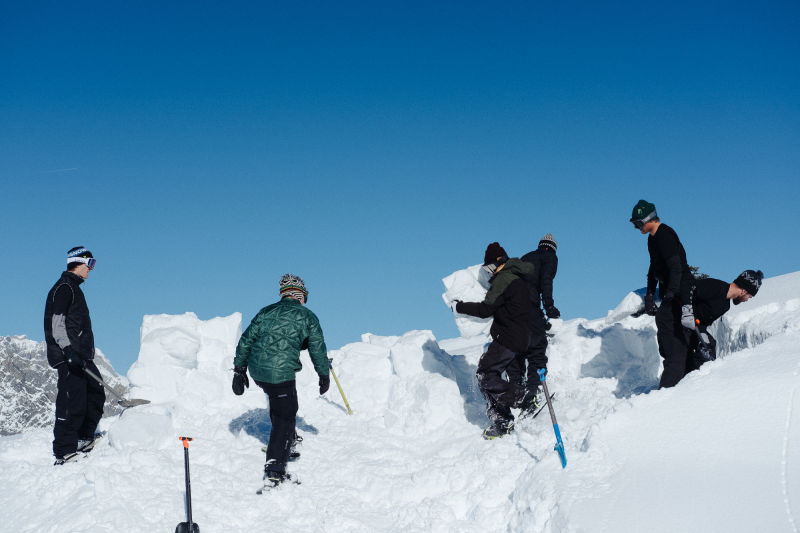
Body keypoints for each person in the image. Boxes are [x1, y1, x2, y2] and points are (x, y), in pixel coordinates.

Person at [232, 274, 330, 487]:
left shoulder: (266, 311)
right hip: (280, 373)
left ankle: (288, 439)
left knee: (280, 402)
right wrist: (324, 374)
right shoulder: (308, 316)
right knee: (286, 415)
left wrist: (239, 370)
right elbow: (317, 348)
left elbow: (246, 340)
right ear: (300, 295)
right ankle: (275, 466)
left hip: (257, 371)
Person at [454, 242, 537, 439]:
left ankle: (523, 399)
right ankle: (502, 420)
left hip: (508, 337)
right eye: (487, 269)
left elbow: (485, 310)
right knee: (488, 376)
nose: (489, 272)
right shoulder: (518, 279)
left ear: (500, 262)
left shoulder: (505, 279)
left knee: (485, 374)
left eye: (490, 267)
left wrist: (459, 307)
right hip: (519, 337)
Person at [43, 246, 105, 465]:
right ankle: (64, 451)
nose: (92, 269)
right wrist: (67, 350)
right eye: (91, 264)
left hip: (81, 355)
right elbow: (57, 322)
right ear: (79, 262)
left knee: (96, 392)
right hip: (69, 355)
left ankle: (84, 438)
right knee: (72, 402)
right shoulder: (64, 288)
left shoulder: (74, 288)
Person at [630, 199, 695, 388]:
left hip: (680, 291)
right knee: (665, 335)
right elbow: (654, 267)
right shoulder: (652, 239)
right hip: (670, 291)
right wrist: (650, 293)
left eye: (637, 223)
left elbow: (676, 268)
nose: (636, 228)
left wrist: (670, 295)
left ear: (648, 219)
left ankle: (672, 385)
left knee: (673, 338)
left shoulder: (665, 234)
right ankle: (675, 379)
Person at [506, 233, 559, 402]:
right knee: (537, 347)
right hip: (529, 306)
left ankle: (516, 389)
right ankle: (532, 391)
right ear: (552, 247)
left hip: (511, 308)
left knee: (517, 349)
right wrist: (549, 305)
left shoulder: (526, 257)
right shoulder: (549, 256)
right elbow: (546, 280)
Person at [679, 270, 764, 373]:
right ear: (744, 291)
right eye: (749, 296)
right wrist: (687, 310)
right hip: (675, 320)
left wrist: (703, 333)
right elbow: (688, 286)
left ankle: (695, 381)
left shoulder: (725, 306)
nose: (747, 299)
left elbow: (703, 322)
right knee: (676, 364)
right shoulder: (715, 286)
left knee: (709, 346)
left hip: (691, 329)